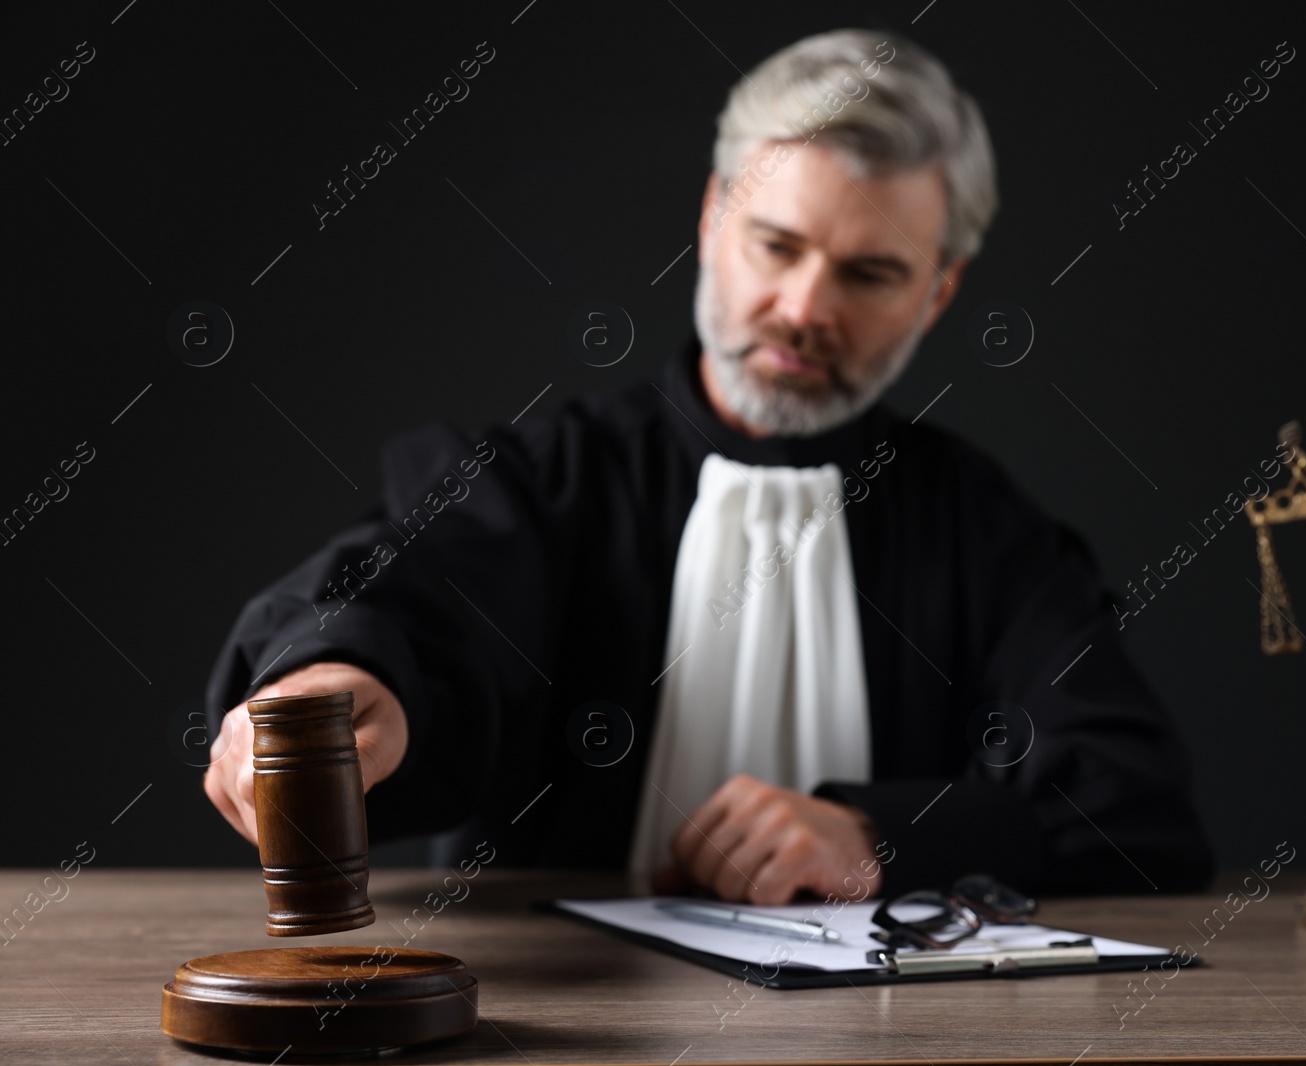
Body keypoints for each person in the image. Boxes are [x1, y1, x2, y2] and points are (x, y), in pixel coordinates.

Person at [204, 28, 1214, 905]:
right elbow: (410, 593)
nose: (807, 308)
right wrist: (340, 671)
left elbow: (1137, 807)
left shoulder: (984, 531)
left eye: (871, 272)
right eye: (777, 243)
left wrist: (884, 837)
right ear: (711, 216)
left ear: (939, 292)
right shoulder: (545, 481)